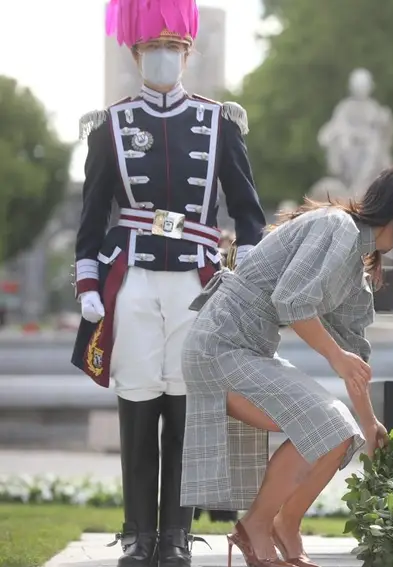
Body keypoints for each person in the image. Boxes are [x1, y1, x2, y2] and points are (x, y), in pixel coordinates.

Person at [70, 1, 267, 566]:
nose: (162, 56)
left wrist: (247, 272)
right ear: (135, 54)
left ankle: (176, 535)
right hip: (131, 274)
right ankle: (137, 534)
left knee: (184, 405)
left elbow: (248, 211)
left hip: (196, 279)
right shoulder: (110, 124)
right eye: (152, 47)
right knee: (136, 400)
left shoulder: (218, 122)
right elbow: (92, 214)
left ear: (186, 53)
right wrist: (87, 279)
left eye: (172, 48)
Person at [180, 164, 393, 567]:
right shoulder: (337, 227)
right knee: (325, 426)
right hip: (220, 348)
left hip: (248, 351)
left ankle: (285, 526)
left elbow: (355, 352)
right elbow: (292, 301)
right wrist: (336, 358)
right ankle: (255, 527)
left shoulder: (356, 264)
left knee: (341, 434)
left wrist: (370, 423)